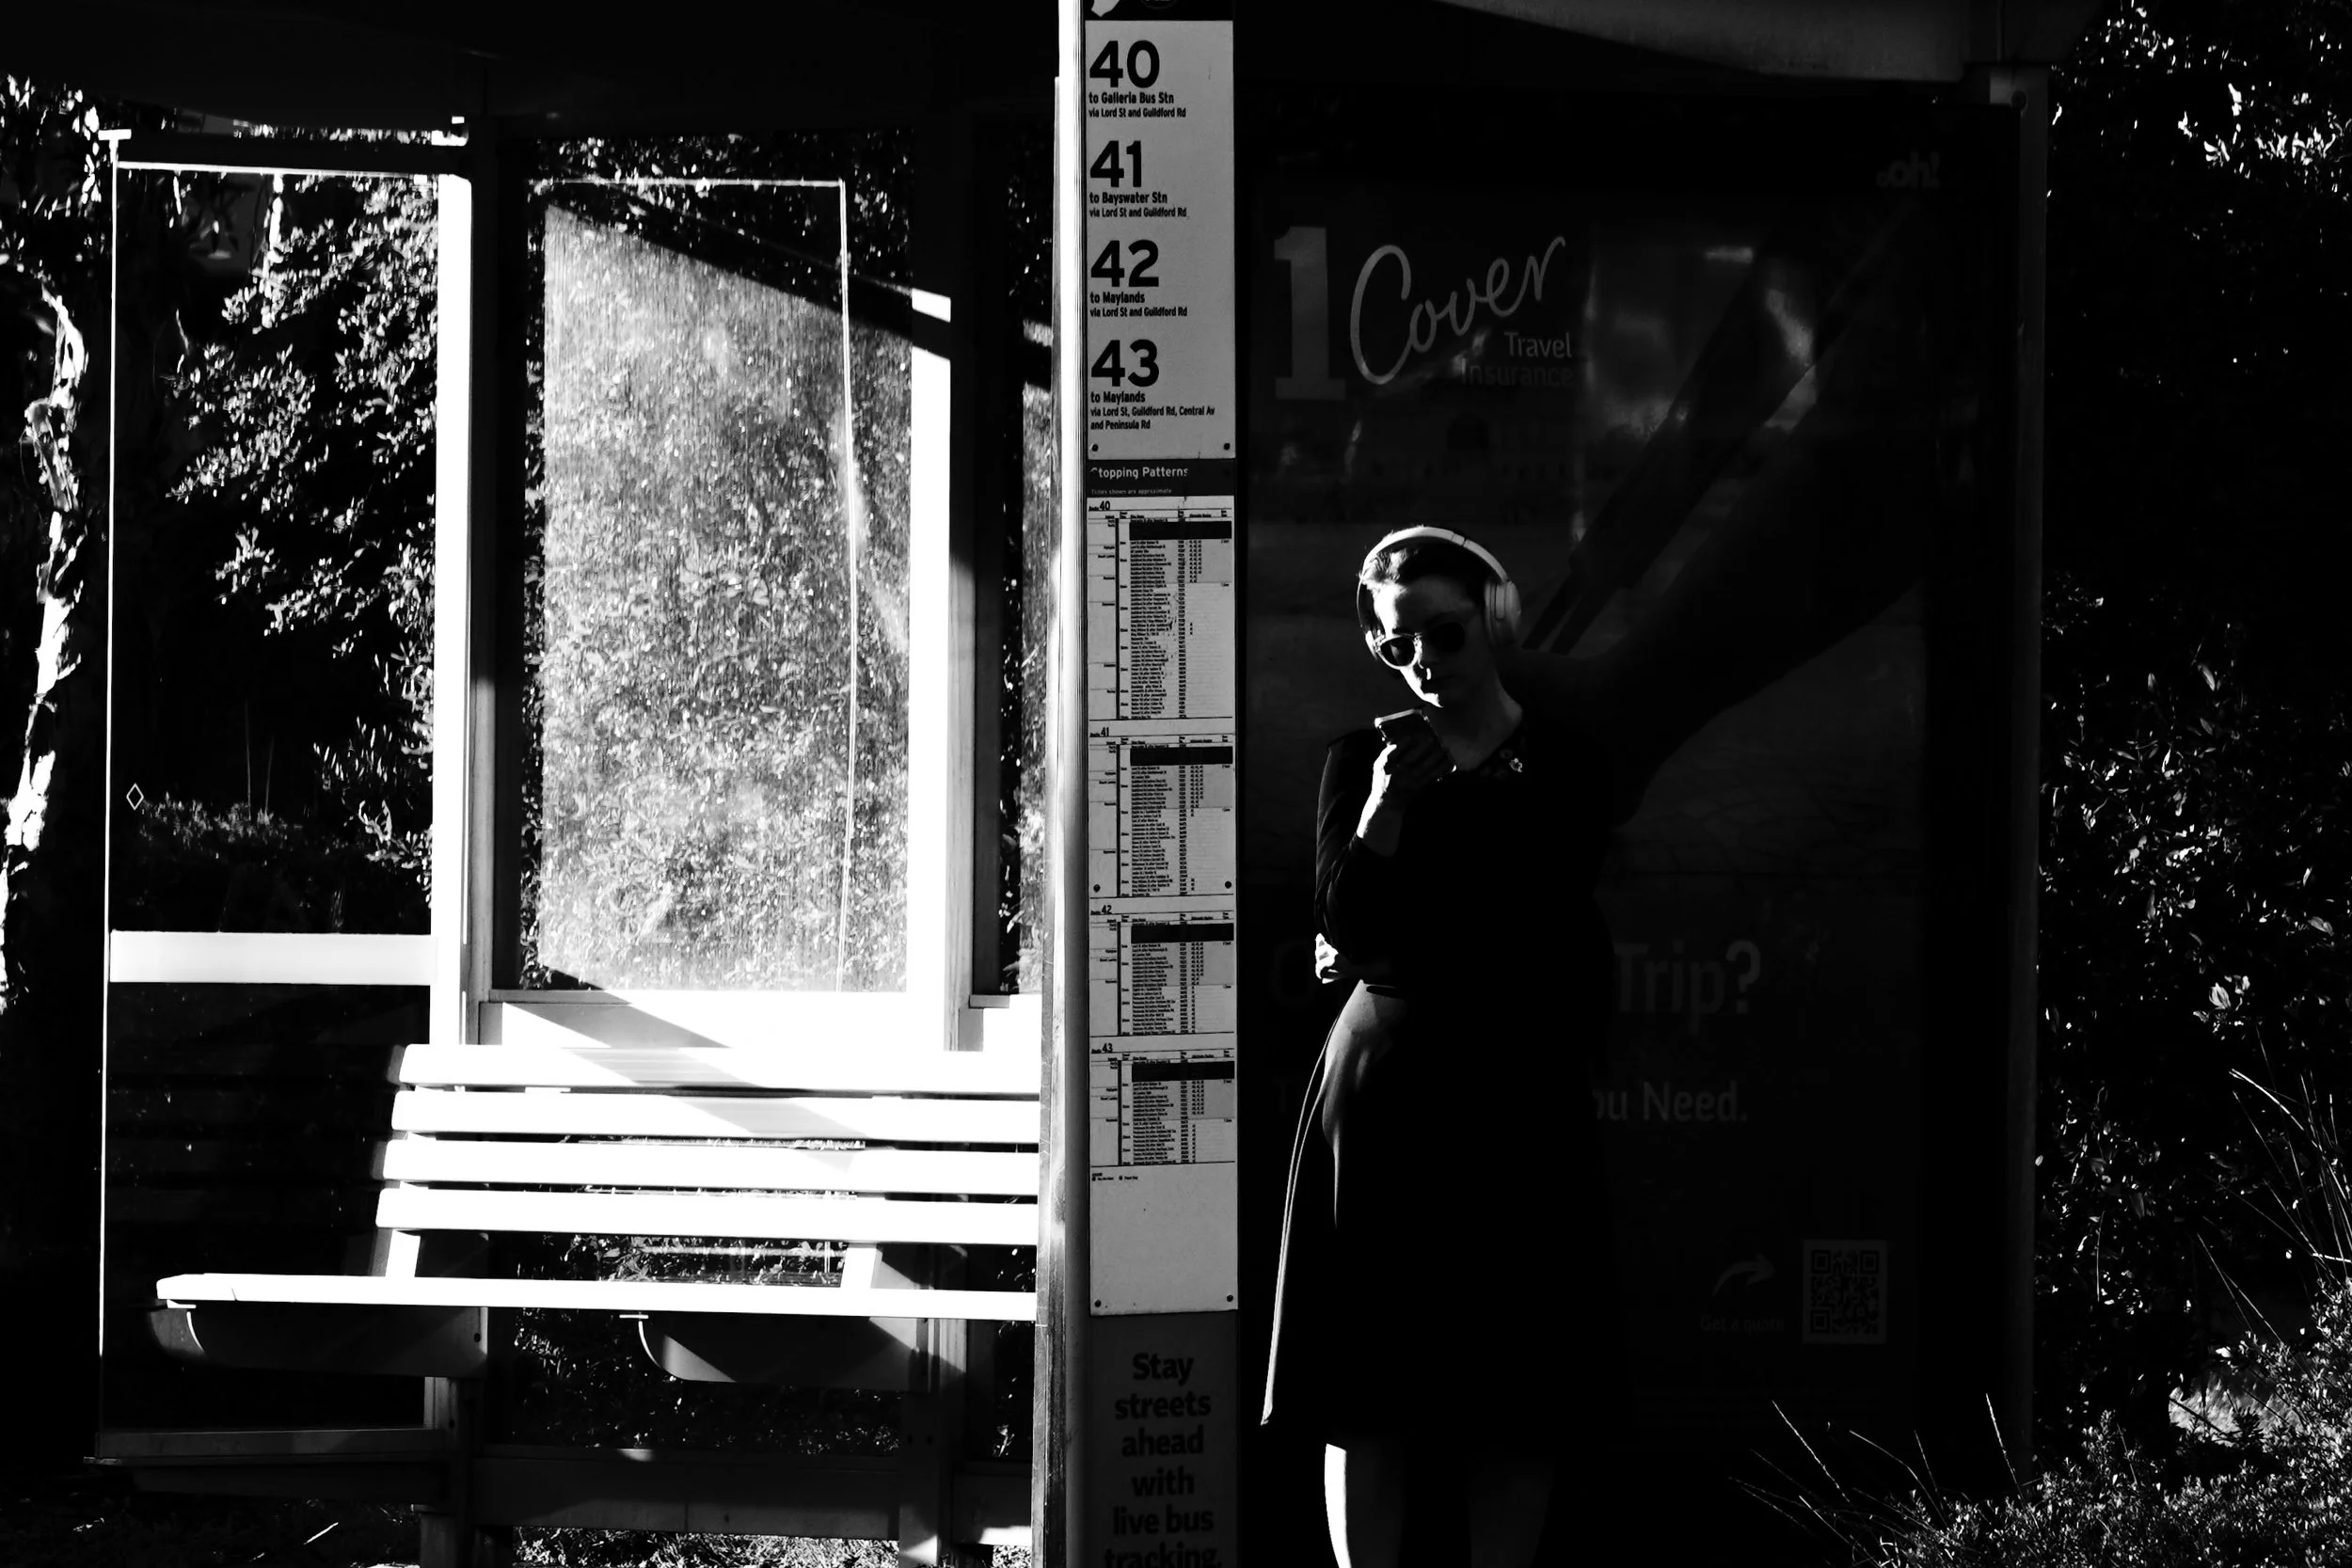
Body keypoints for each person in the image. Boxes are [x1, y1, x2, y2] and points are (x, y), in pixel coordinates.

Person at [1262, 527, 1621, 1568]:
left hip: (1515, 1093)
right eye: (1395, 647)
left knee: (1517, 1389)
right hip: (1386, 1098)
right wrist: (1384, 810)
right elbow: (1336, 913)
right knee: (1366, 1387)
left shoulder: (1566, 763)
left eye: (1443, 631)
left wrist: (1377, 926)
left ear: (1489, 617)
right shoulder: (1359, 761)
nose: (1424, 661)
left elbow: (1544, 914)